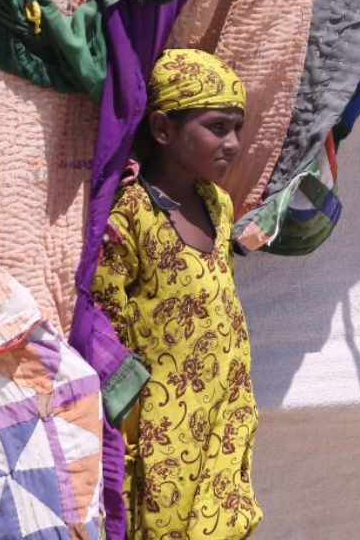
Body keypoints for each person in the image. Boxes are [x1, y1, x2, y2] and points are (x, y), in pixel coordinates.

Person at [91, 48, 262, 538]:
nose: (231, 143)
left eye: (236, 127)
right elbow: (111, 341)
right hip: (162, 441)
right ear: (163, 129)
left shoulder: (218, 203)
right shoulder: (128, 218)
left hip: (223, 420)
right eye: (216, 127)